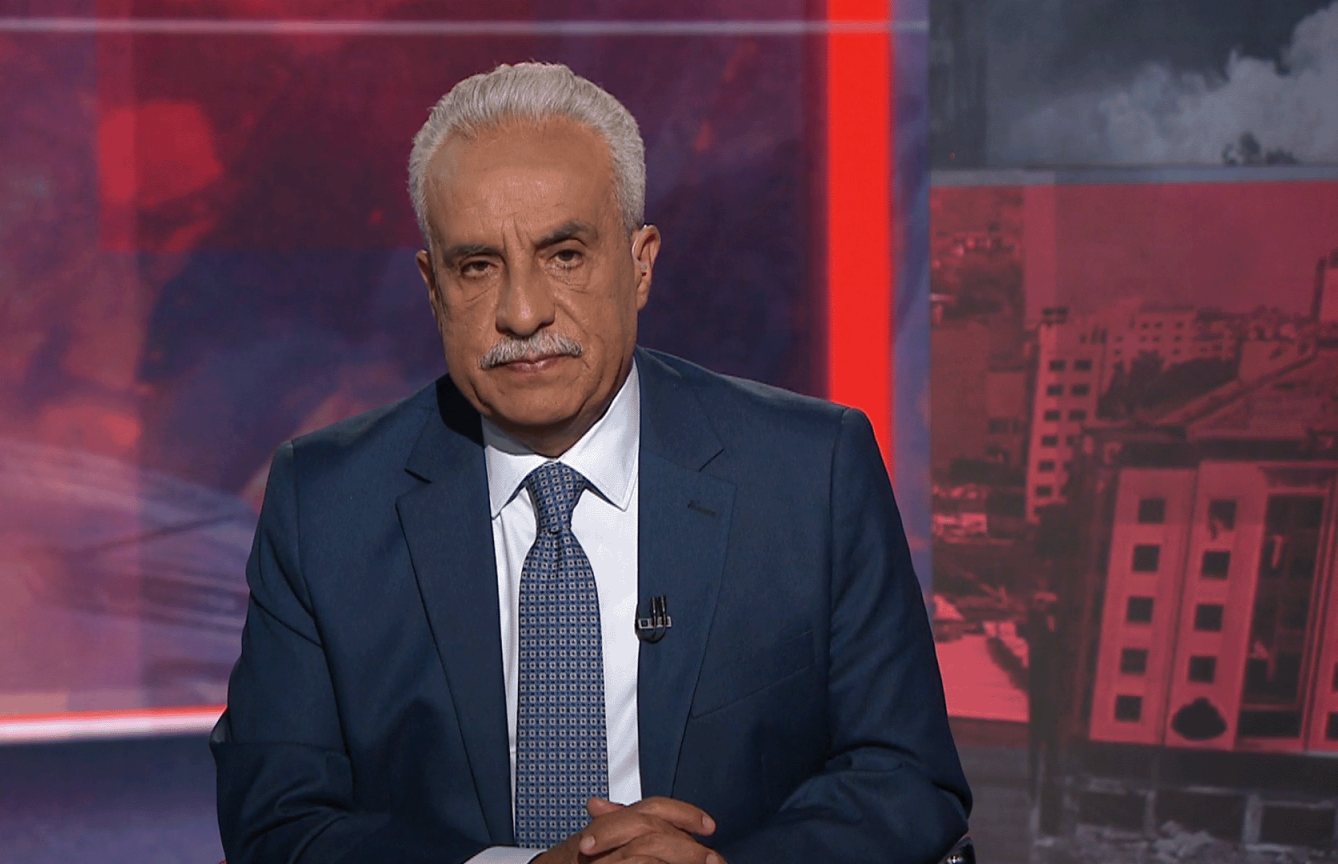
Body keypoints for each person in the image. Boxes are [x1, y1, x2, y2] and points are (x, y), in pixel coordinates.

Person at [211, 62, 971, 864]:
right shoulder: (325, 505)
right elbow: (278, 822)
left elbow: (906, 781)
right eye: (478, 267)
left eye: (565, 255)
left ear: (640, 265)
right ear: (433, 288)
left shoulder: (811, 475)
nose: (523, 312)